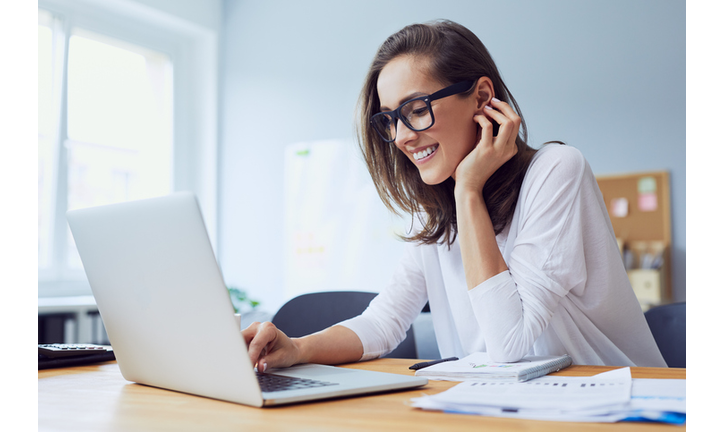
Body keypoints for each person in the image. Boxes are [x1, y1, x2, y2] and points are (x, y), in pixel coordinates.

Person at [242, 19, 667, 372]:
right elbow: (384, 322)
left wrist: (468, 189)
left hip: (619, 409)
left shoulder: (557, 171)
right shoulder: (435, 213)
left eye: (416, 108)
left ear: (482, 97)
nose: (403, 137)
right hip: (506, 410)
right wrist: (296, 348)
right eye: (390, 119)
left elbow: (509, 344)